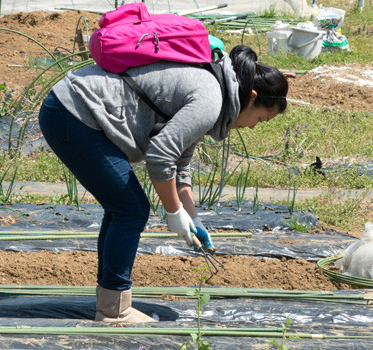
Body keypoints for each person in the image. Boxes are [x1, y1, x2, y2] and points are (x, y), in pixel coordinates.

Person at [37, 45, 288, 323]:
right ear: (252, 97)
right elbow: (159, 157)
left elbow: (180, 164)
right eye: (261, 119)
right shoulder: (210, 99)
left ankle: (110, 303)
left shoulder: (214, 87)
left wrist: (192, 217)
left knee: (123, 208)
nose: (253, 126)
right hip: (74, 112)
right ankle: (114, 311)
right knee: (130, 209)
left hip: (72, 109)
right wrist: (173, 213)